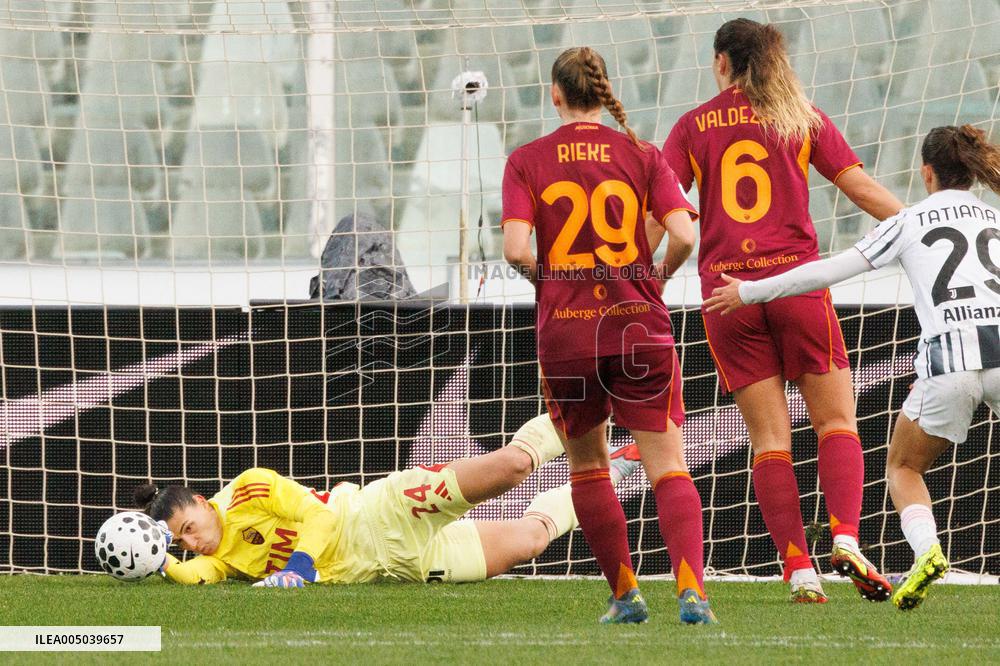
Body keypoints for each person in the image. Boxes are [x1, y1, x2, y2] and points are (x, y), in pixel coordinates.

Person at [705, 124, 1000, 611]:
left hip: (952, 361)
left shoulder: (909, 221)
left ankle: (927, 551)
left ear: (926, 173)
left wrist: (750, 291)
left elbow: (827, 270)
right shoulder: (992, 218)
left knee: (904, 466)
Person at [660, 18, 905, 603]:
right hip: (796, 284)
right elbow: (862, 190)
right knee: (837, 423)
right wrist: (922, 227)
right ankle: (845, 536)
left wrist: (637, 278)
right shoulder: (801, 117)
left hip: (726, 294)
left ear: (722, 63)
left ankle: (798, 569)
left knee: (770, 441)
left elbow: (663, 213)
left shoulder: (693, 125)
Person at [501, 46, 715, 625]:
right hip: (637, 326)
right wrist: (653, 278)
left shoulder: (526, 160)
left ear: (555, 95)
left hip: (567, 335)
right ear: (604, 91)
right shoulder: (643, 155)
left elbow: (516, 250)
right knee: (667, 464)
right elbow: (685, 235)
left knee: (588, 467)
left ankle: (625, 595)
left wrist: (550, 283)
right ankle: (691, 591)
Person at [136, 414, 642, 587]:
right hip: (402, 564)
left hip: (383, 512)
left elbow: (317, 513)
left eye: (188, 527)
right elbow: (199, 576)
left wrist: (301, 565)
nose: (193, 542)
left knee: (511, 467)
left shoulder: (248, 487)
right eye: (182, 541)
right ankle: (617, 466)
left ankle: (588, 401)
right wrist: (157, 560)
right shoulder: (217, 557)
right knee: (531, 540)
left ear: (202, 501)